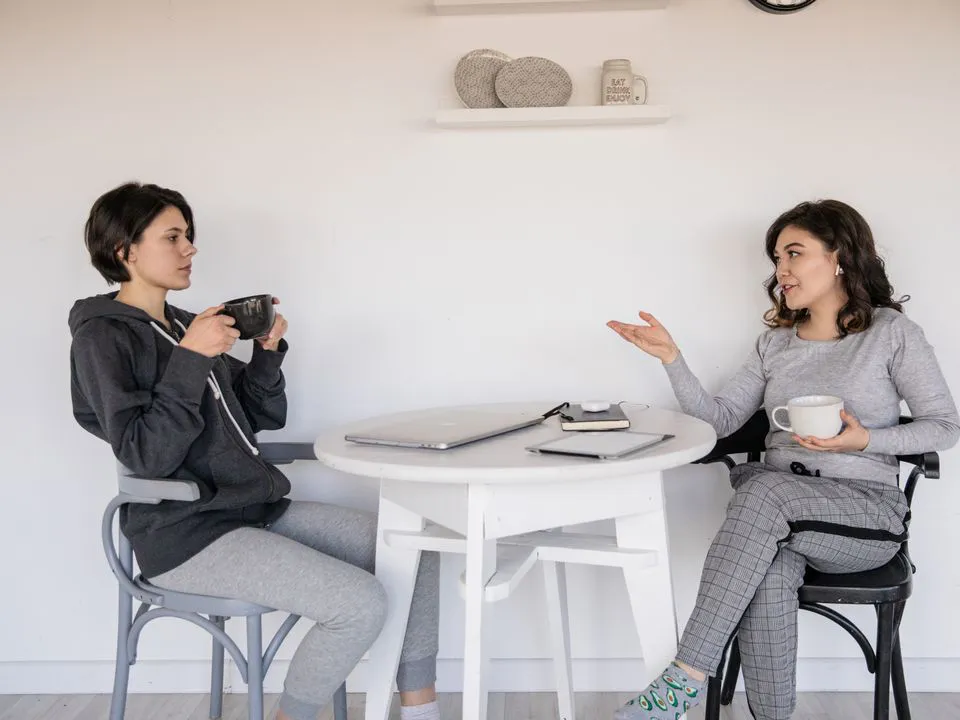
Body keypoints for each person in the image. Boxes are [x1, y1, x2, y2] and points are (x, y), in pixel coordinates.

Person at [69, 182, 442, 720]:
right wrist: (192, 358)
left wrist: (266, 354)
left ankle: (421, 710)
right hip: (185, 534)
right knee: (358, 603)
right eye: (172, 237)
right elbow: (144, 453)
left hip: (253, 510)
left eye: (188, 235)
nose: (190, 248)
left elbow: (257, 416)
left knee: (417, 549)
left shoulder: (184, 325)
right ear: (125, 250)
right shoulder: (102, 338)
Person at [607, 199, 960, 720]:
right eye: (777, 258)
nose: (782, 270)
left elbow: (945, 426)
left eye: (794, 253)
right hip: (776, 519)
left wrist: (864, 441)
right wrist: (672, 360)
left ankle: (683, 680)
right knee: (769, 571)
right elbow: (720, 422)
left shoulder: (891, 333)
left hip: (863, 516)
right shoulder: (773, 344)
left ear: (839, 256)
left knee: (764, 489)